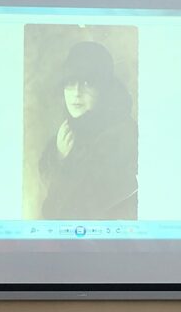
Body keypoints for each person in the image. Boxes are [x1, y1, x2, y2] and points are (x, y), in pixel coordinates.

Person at [39, 40, 138, 220]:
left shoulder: (121, 137)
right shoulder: (67, 136)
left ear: (105, 89)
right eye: (70, 82)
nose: (76, 92)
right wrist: (59, 157)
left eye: (87, 82)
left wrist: (63, 165)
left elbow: (75, 210)